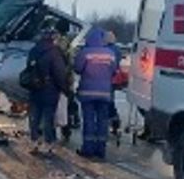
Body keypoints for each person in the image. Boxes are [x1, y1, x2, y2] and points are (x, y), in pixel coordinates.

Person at [26, 23, 71, 155]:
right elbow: (59, 73)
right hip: (50, 90)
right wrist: (65, 89)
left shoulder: (34, 50)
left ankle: (34, 142)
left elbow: (28, 68)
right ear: (52, 37)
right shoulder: (55, 52)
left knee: (34, 116)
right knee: (48, 118)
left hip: (35, 88)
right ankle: (48, 144)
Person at [74, 28, 118, 159]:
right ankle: (101, 149)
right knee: (102, 121)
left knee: (89, 120)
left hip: (87, 92)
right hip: (105, 92)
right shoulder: (110, 53)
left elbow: (77, 68)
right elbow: (114, 70)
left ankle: (88, 148)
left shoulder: (85, 52)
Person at [55, 18, 80, 138]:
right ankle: (66, 128)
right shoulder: (70, 43)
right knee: (67, 103)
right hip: (66, 78)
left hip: (55, 77)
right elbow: (72, 61)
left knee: (54, 104)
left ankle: (52, 130)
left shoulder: (54, 41)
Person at [104, 30, 123, 138]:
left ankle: (109, 122)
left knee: (107, 102)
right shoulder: (117, 49)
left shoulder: (106, 49)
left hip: (106, 79)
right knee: (111, 100)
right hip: (114, 79)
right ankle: (115, 122)